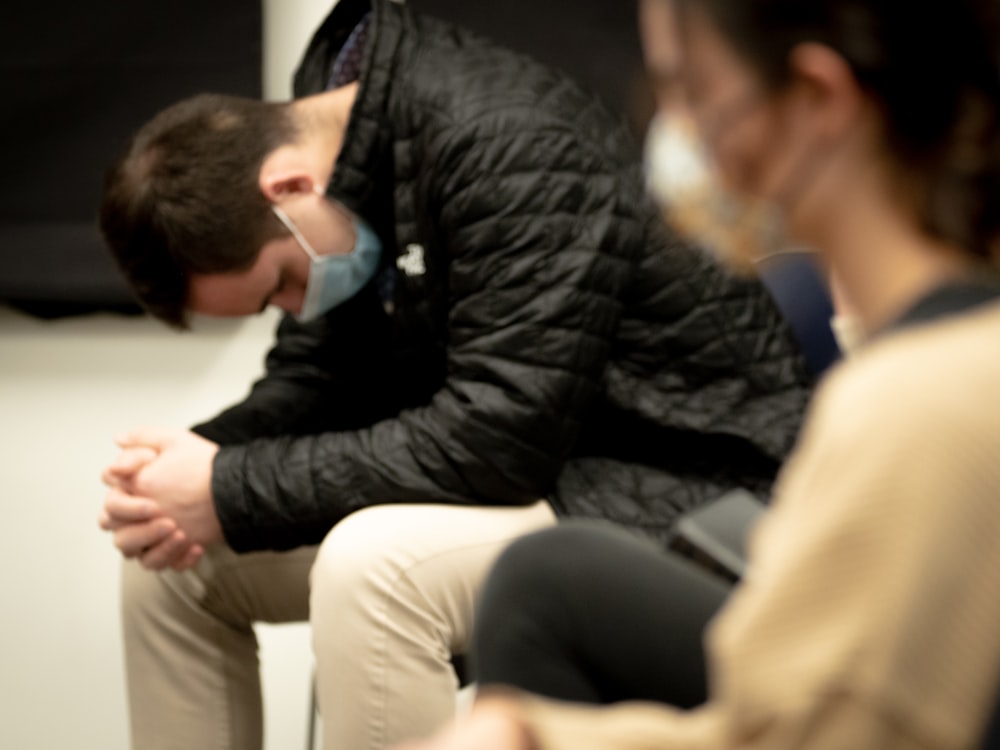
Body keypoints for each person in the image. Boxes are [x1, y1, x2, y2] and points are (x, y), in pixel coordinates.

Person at [94, 0, 812, 748]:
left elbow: (501, 437)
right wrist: (188, 472)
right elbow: (319, 372)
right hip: (545, 463)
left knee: (373, 571)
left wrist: (231, 486)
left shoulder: (508, 139)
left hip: (681, 477)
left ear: (287, 188)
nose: (292, 307)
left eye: (278, 285)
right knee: (170, 562)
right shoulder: (337, 134)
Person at [393, 0, 1000, 748]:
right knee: (550, 577)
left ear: (818, 99)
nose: (674, 131)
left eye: (692, 91)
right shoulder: (936, 365)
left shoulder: (914, 405)